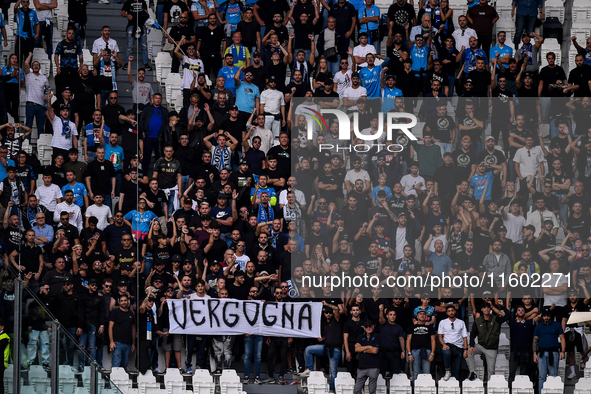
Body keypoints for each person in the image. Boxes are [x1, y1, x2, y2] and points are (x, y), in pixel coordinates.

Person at [533, 308, 565, 393]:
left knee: (553, 376)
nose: (546, 317)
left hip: (554, 352)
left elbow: (562, 338)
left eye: (548, 316)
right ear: (542, 316)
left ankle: (552, 392)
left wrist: (563, 351)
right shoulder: (538, 326)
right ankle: (541, 392)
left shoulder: (557, 325)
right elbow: (535, 340)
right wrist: (535, 354)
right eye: (544, 316)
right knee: (541, 376)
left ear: (550, 316)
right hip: (541, 353)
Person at [438, 305, 468, 381]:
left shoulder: (461, 322)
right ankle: (447, 371)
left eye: (452, 310)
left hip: (458, 347)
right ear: (447, 313)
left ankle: (456, 387)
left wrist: (466, 349)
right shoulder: (443, 322)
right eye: (449, 311)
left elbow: (464, 337)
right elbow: (440, 336)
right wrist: (443, 344)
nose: (451, 312)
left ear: (455, 311)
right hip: (447, 345)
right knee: (446, 352)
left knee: (456, 371)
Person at [354, 320, 380, 394]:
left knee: (372, 391)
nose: (368, 328)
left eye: (370, 326)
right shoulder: (360, 336)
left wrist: (362, 349)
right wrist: (368, 347)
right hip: (362, 366)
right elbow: (356, 349)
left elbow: (375, 351)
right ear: (364, 328)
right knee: (357, 390)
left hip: (373, 366)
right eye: (366, 327)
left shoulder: (377, 336)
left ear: (373, 326)